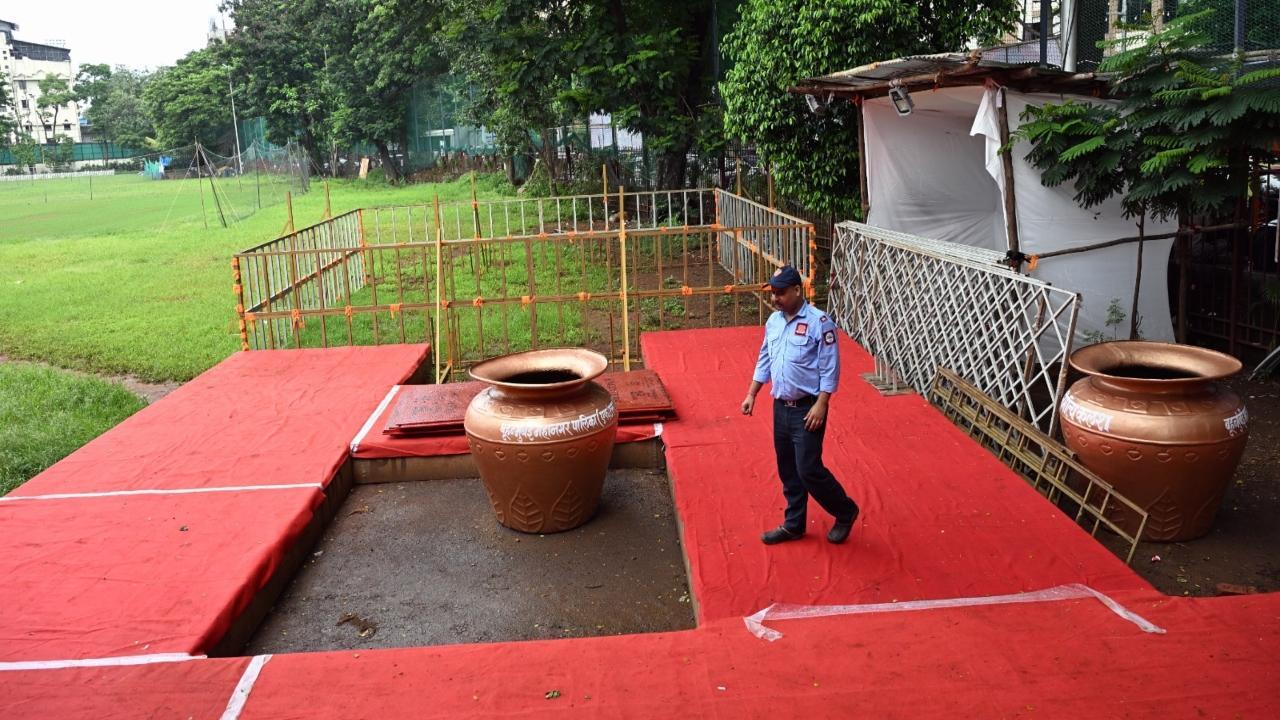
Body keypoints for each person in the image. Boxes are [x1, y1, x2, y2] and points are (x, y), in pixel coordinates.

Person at [741, 265, 860, 545]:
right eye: (773, 293)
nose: (775, 298)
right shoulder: (774, 322)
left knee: (808, 468)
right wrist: (752, 394)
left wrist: (822, 404)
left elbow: (830, 367)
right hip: (781, 407)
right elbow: (765, 359)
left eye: (781, 293)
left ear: (797, 290)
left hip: (808, 408)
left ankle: (845, 510)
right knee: (788, 468)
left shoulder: (820, 322)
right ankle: (794, 524)